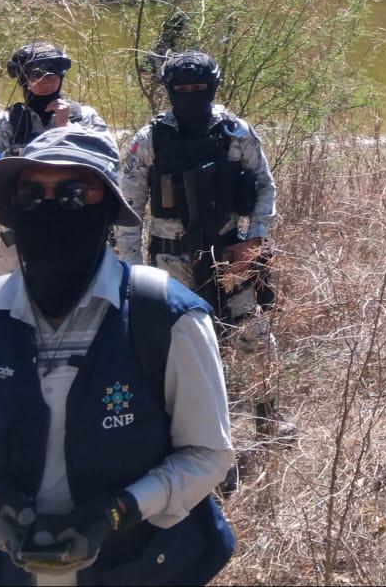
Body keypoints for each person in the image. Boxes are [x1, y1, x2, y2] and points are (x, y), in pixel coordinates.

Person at [0, 126, 234, 586]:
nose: (51, 207)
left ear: (107, 210)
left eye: (75, 194)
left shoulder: (166, 316)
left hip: (135, 569)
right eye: (32, 193)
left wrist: (120, 511)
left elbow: (207, 453)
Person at [116, 51, 289, 492]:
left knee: (255, 335)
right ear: (169, 92)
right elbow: (128, 209)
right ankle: (196, 445)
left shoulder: (235, 132)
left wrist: (255, 239)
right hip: (172, 262)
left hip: (231, 255)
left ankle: (269, 419)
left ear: (213, 88)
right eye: (182, 91)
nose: (191, 97)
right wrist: (129, 275)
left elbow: (265, 185)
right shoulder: (149, 139)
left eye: (199, 90)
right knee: (186, 354)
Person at [0, 43, 108, 174]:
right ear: (23, 79)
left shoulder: (85, 117)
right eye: (37, 74)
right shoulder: (4, 123)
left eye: (52, 73)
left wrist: (66, 130)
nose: (46, 79)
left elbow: (107, 166)